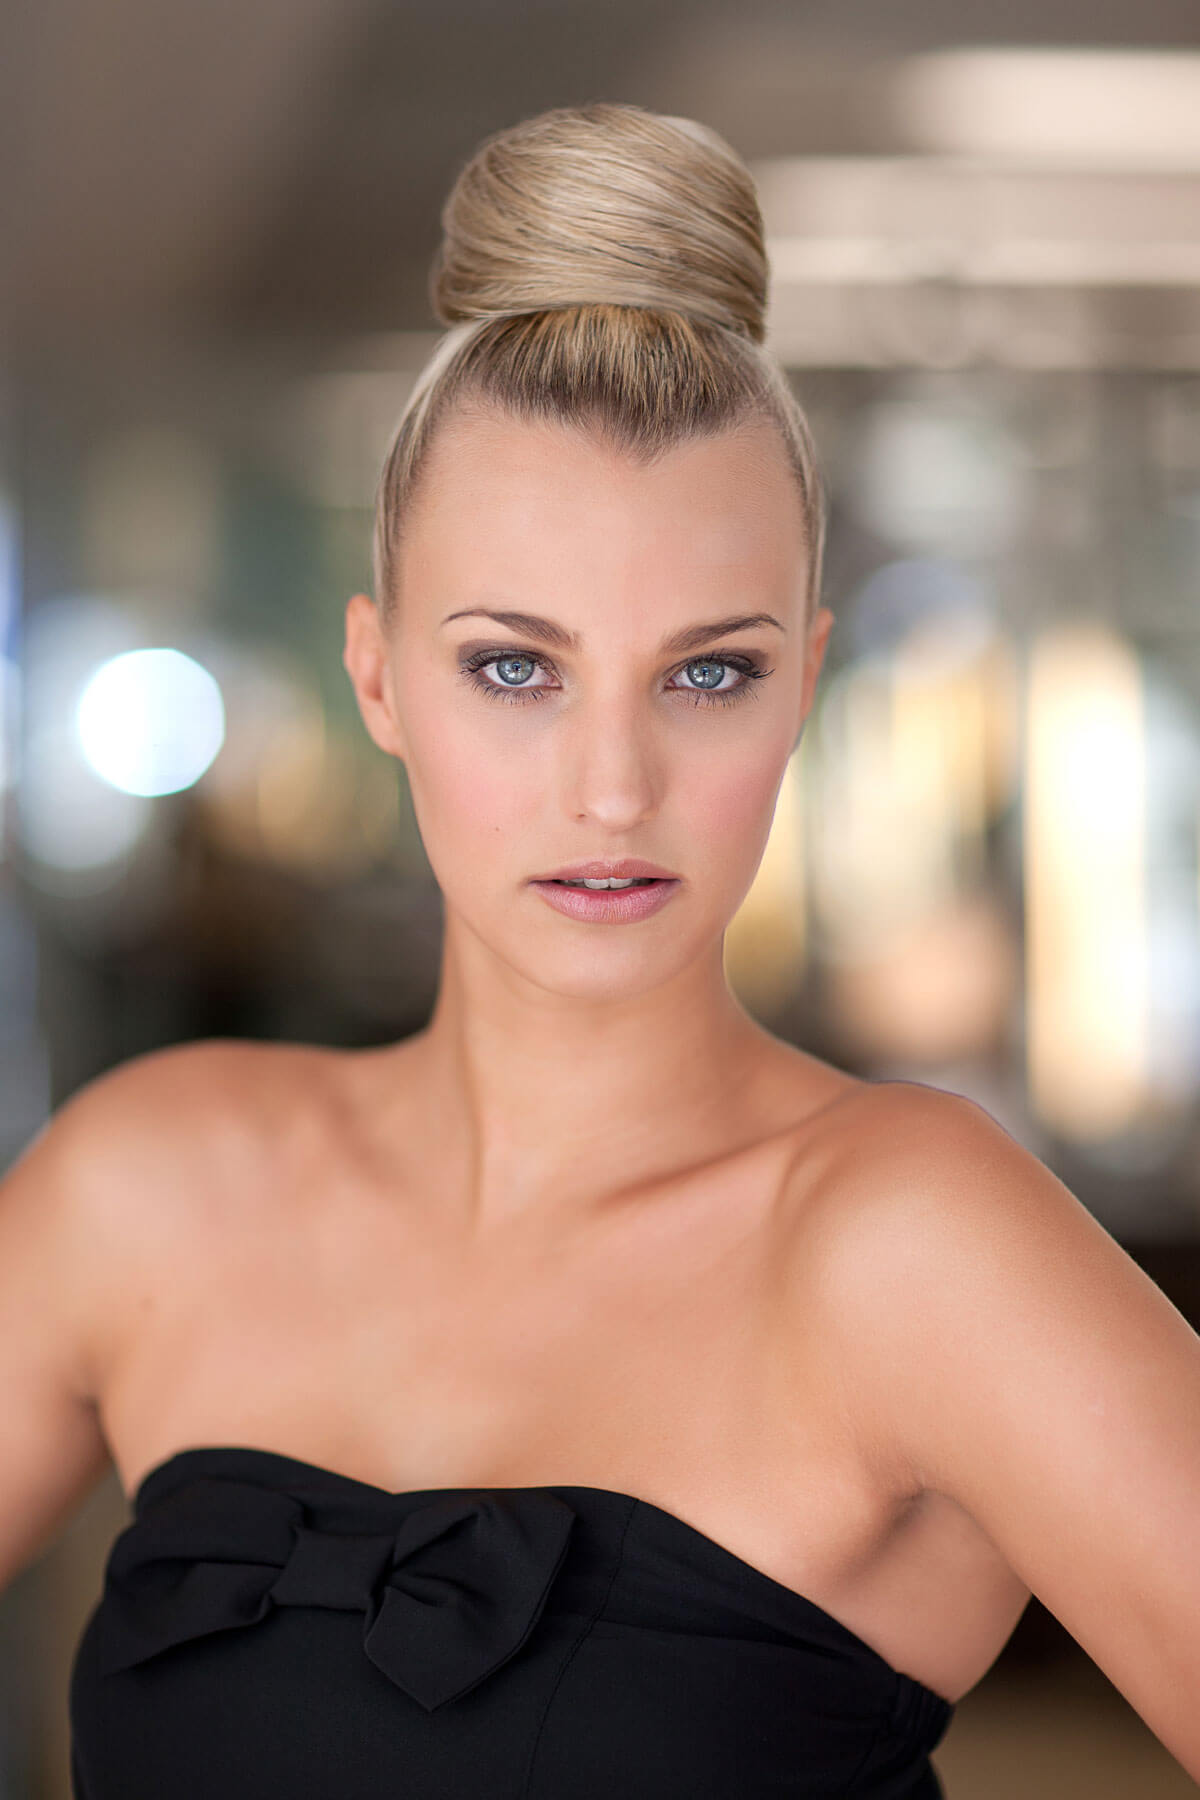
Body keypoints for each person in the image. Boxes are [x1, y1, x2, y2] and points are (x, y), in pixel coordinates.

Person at [1, 100, 1198, 1799]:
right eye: (514, 667)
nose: (616, 785)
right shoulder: (150, 1183)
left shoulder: (913, 1246)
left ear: (804, 684)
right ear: (378, 678)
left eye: (708, 673)